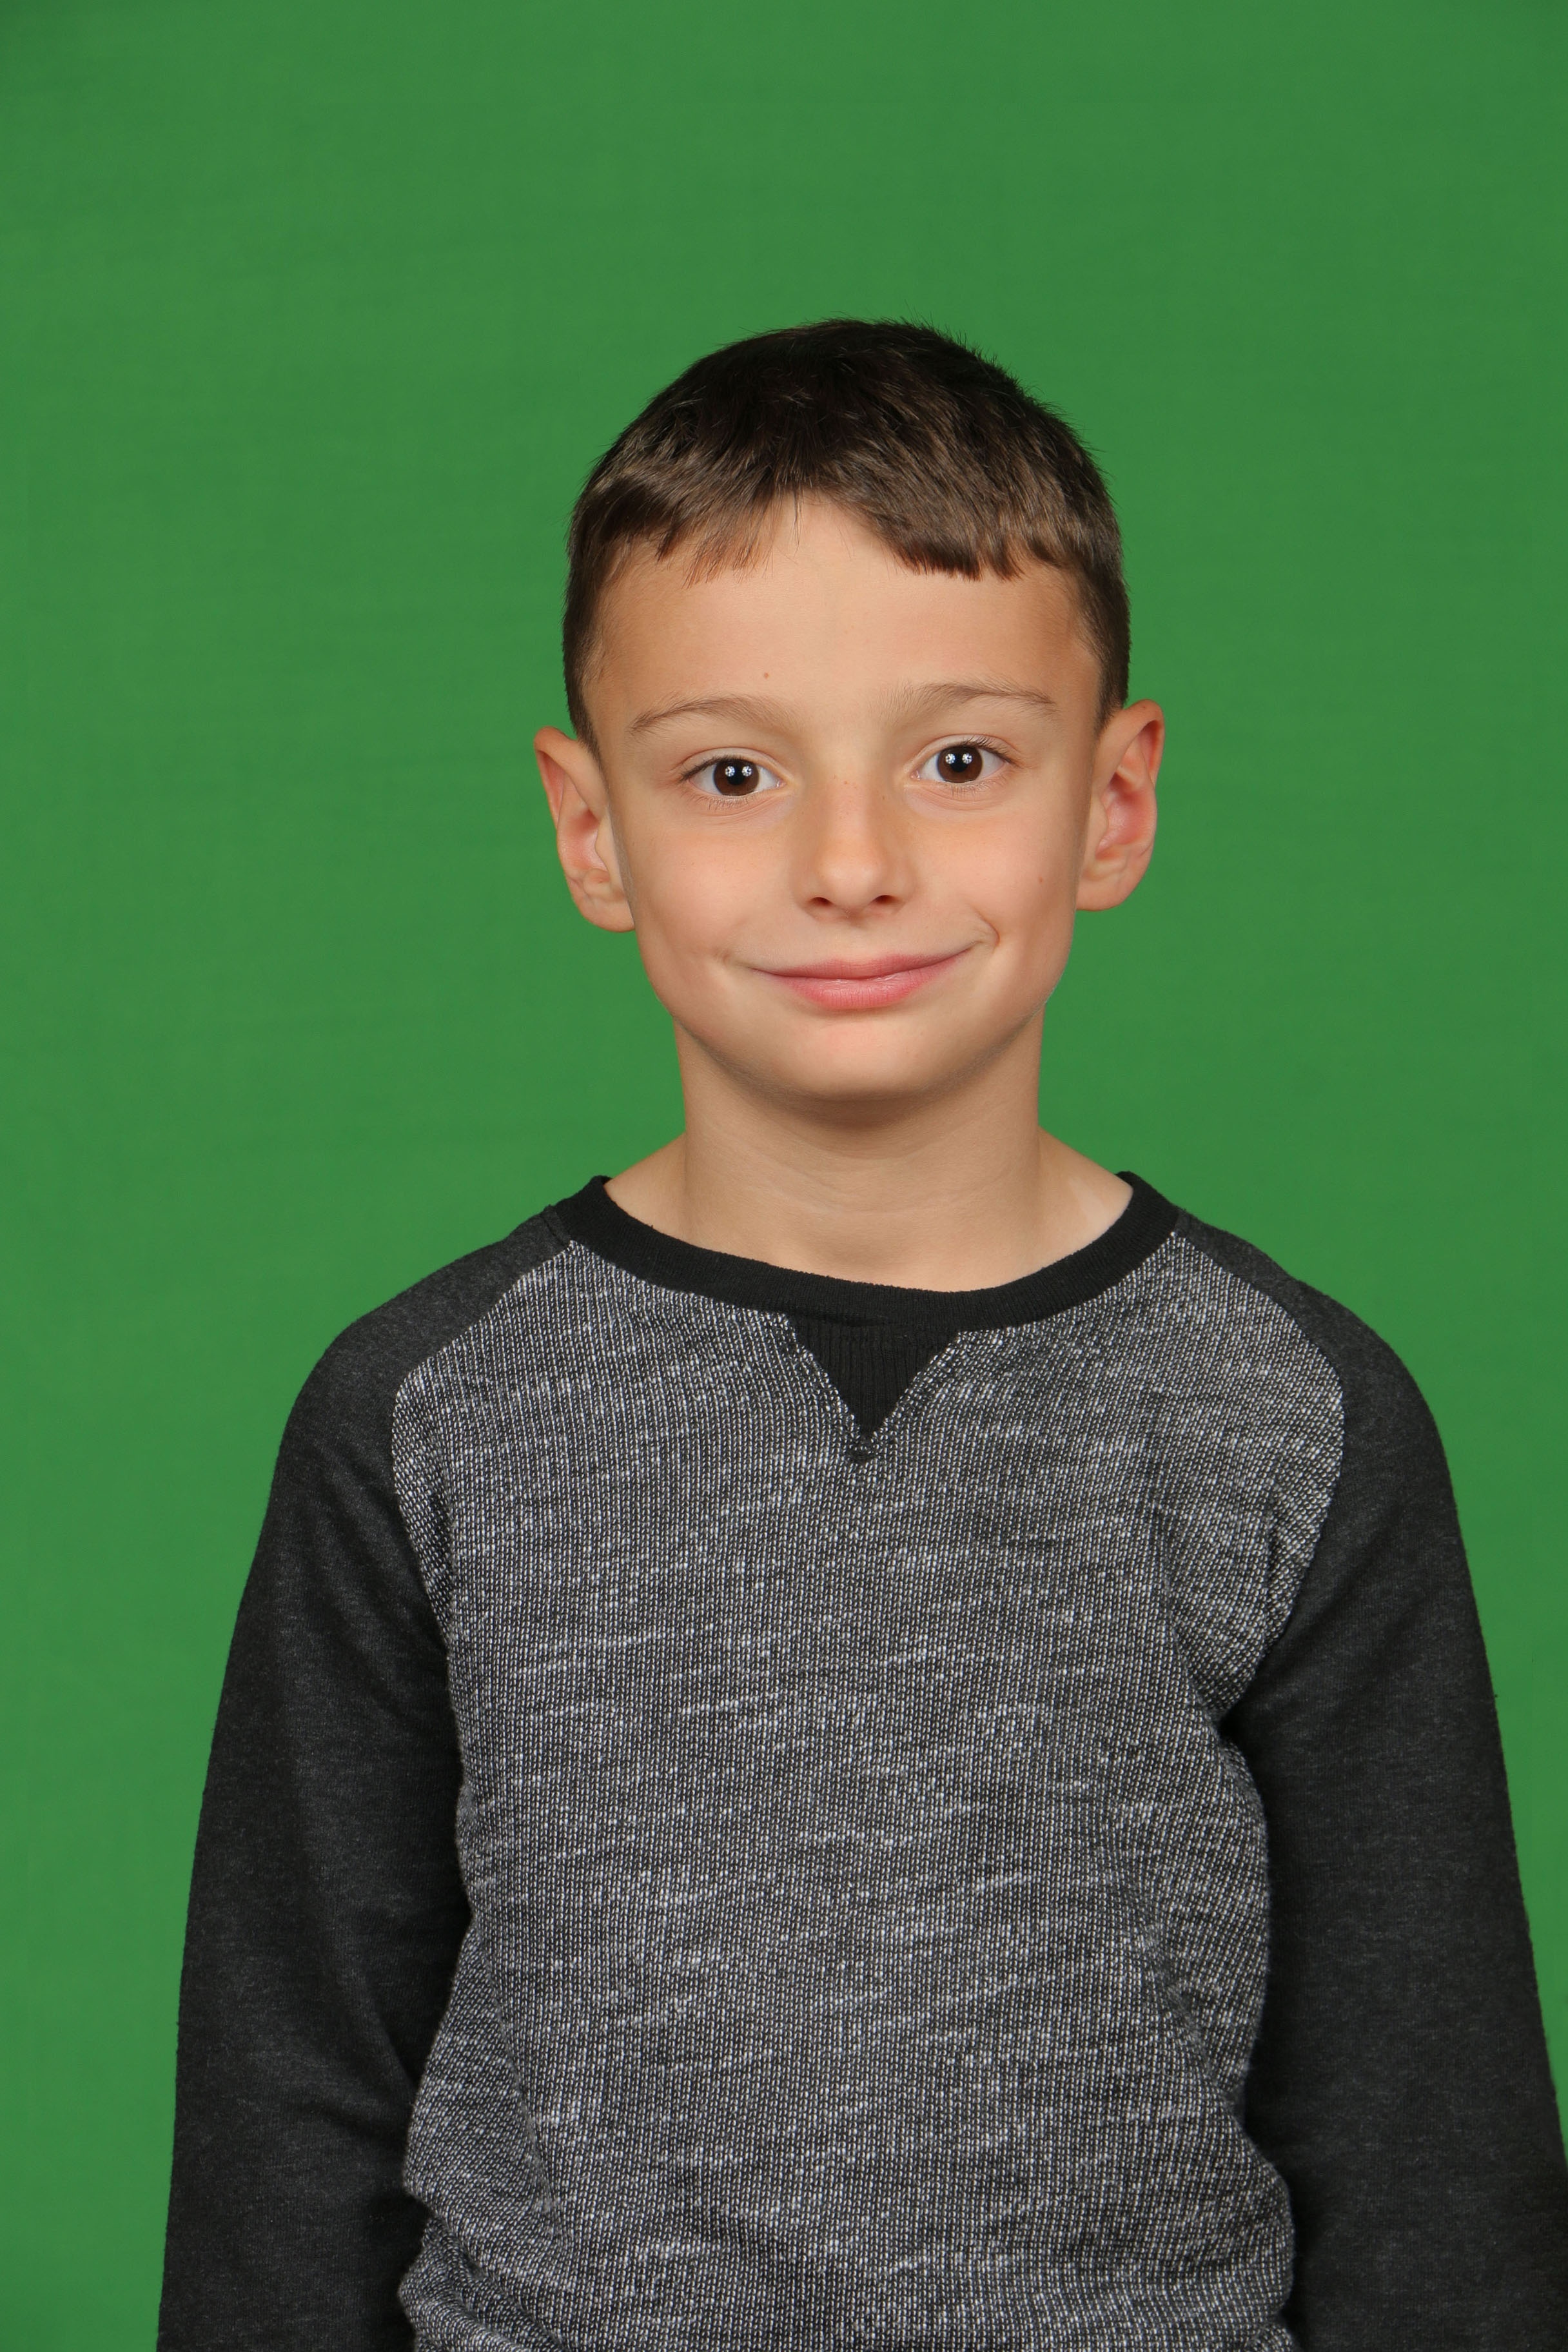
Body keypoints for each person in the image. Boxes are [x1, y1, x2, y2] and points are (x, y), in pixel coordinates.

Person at [157, 321, 1568, 2351]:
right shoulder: (425, 1415)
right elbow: (289, 2118)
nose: (849, 866)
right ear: (590, 827)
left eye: (960, 761)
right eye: (731, 773)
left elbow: (1433, 2153)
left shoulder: (1293, 1417)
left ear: (1114, 802)